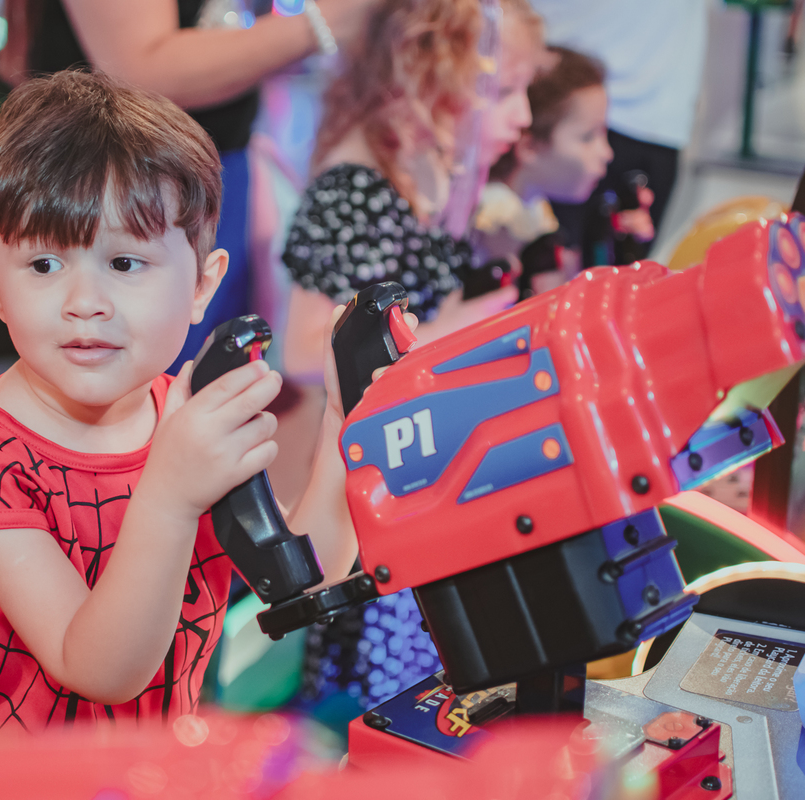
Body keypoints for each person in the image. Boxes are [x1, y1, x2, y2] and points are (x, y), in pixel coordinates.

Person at [0, 70, 365, 732]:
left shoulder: (186, 415)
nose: (85, 303)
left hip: (146, 760)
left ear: (201, 286)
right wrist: (171, 492)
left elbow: (303, 579)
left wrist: (348, 425)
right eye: (44, 265)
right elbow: (97, 670)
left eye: (124, 264)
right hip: (6, 771)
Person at [280, 0, 544, 721]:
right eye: (502, 89)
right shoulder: (358, 184)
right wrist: (456, 330)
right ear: (430, 73)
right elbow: (302, 349)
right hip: (367, 490)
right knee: (381, 699)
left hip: (412, 470)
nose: (523, 114)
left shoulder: (432, 167)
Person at [1, 0, 379, 372]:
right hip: (124, 182)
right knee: (138, 373)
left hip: (209, 166)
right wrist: (322, 22)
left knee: (211, 371)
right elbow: (137, 70)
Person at [530, 0, 709, 267]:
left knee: (613, 256)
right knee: (553, 253)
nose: (606, 153)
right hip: (563, 93)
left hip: (648, 116)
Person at [471, 46, 614, 297]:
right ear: (530, 147)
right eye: (587, 137)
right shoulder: (494, 219)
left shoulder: (534, 207)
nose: (607, 153)